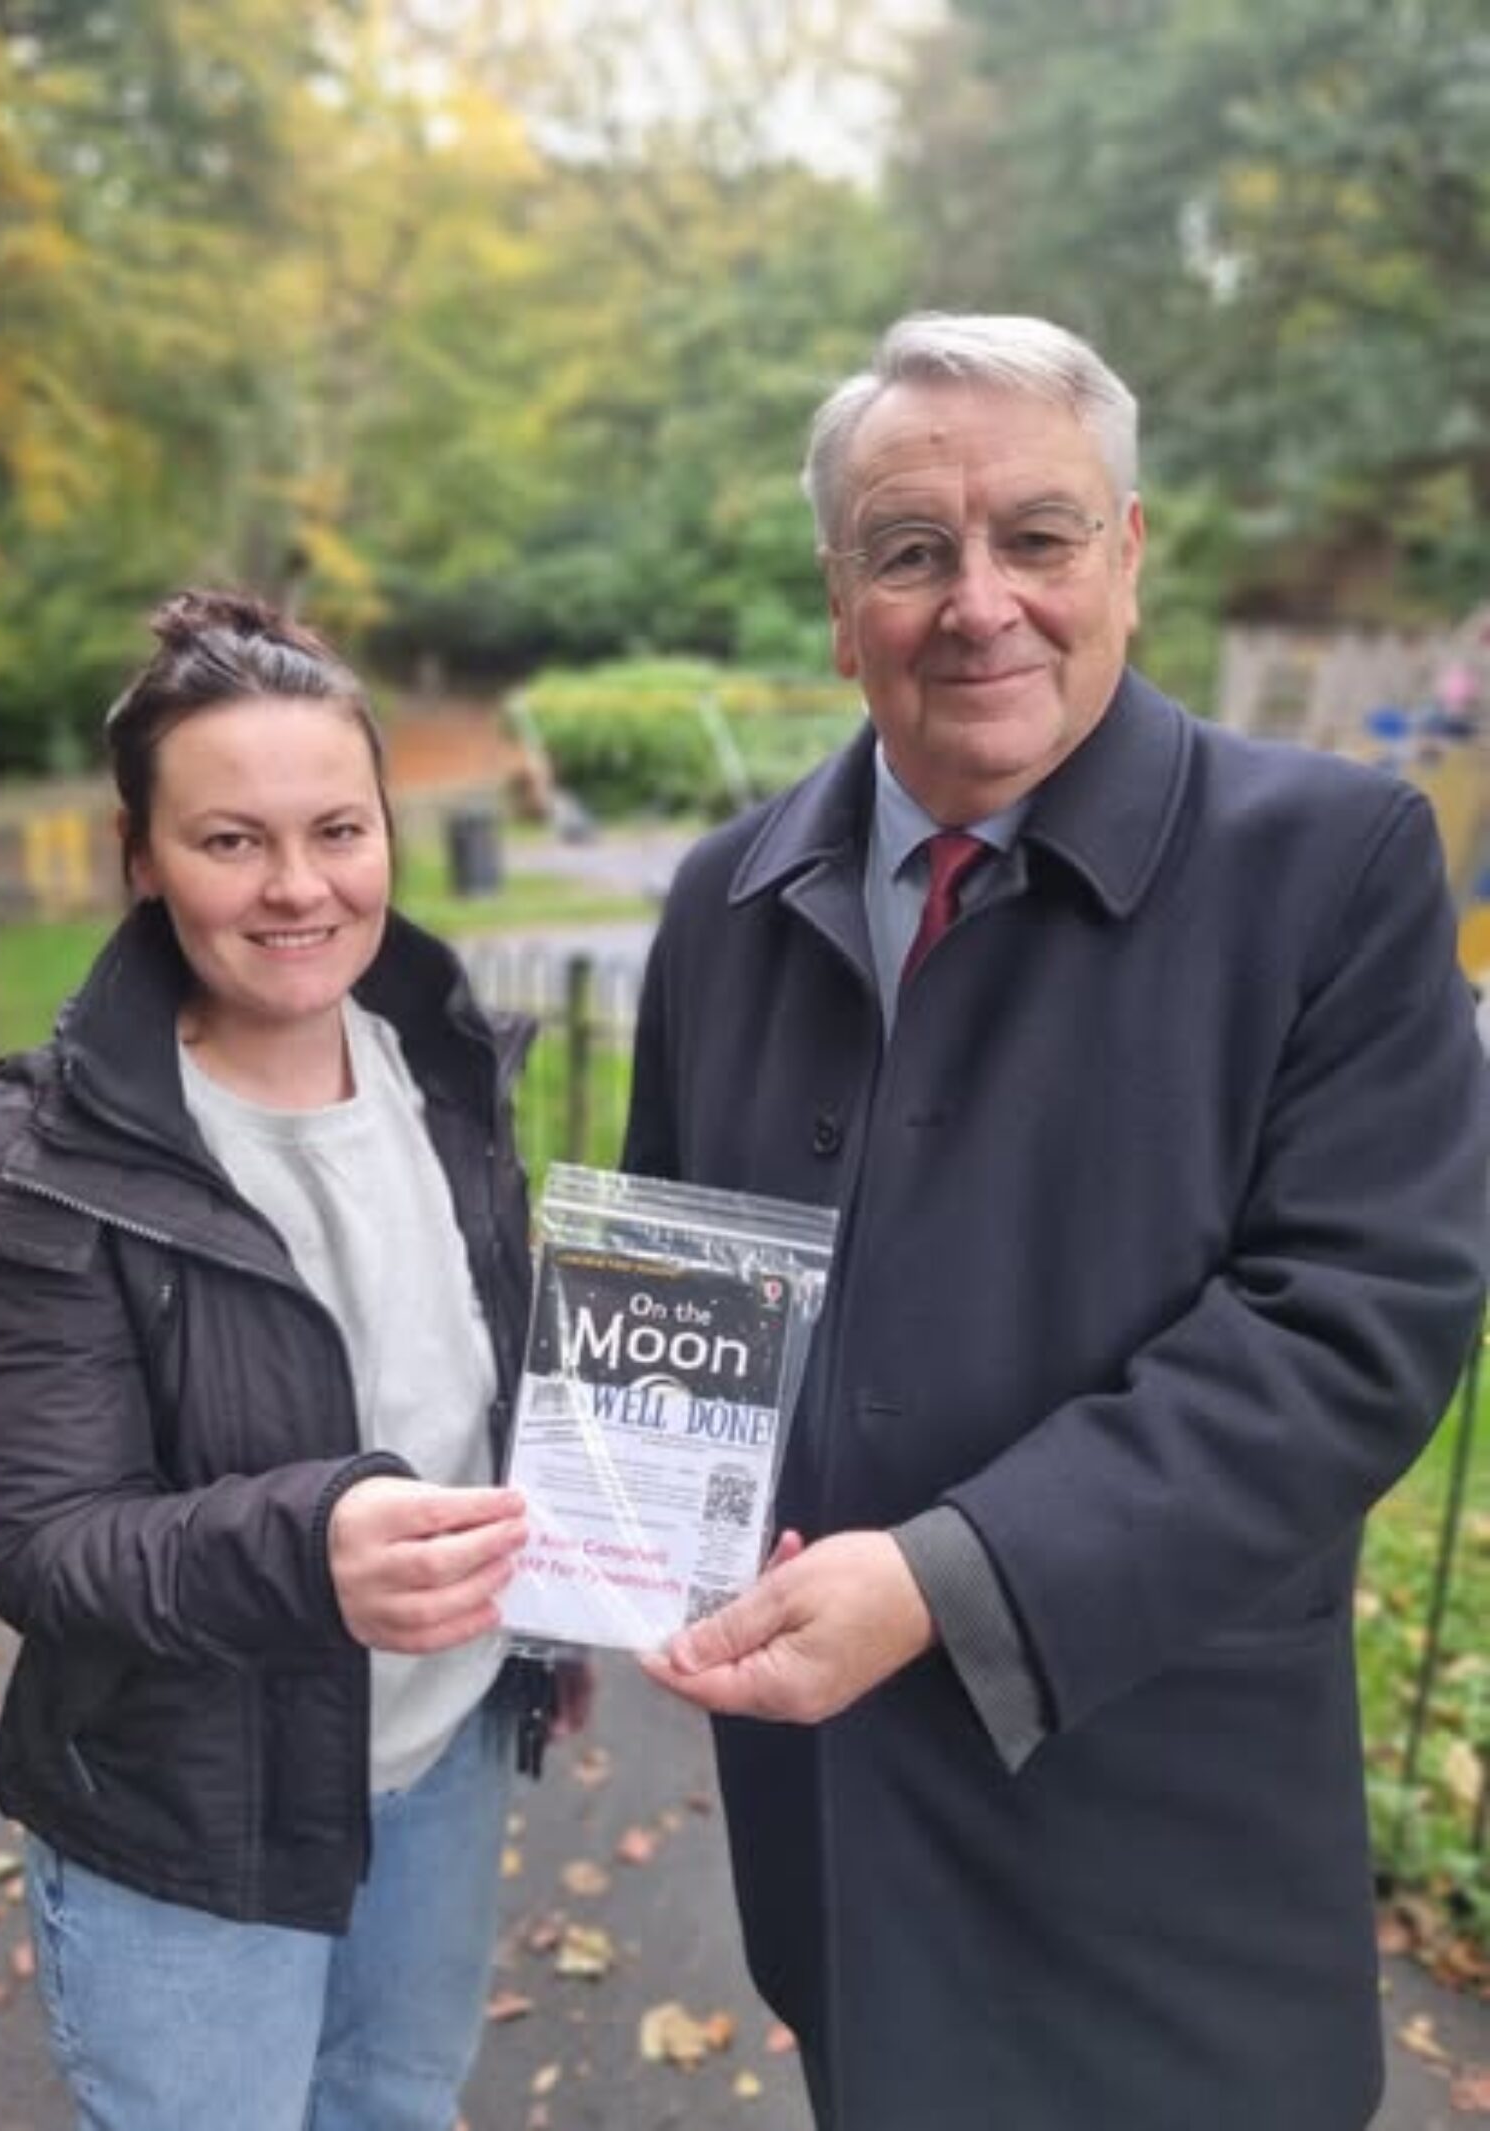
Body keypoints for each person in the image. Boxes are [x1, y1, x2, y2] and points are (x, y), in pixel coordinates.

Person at [629, 314, 1490, 2131]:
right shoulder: (723, 902)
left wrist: (948, 1581)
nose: (980, 604)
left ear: (1129, 554)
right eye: (910, 551)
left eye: (1038, 536)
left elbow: (1355, 1327)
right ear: (839, 599)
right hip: (836, 1834)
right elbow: (675, 1294)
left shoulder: (1330, 867)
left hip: (1159, 1843)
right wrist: (606, 1537)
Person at [0, 590, 577, 2131]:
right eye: (231, 840)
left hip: (438, 1753)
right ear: (140, 855)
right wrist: (311, 1550)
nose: (299, 887)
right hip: (188, 1811)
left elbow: (481, 1384)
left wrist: (569, 1603)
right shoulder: (40, 1164)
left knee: (394, 2105)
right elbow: (50, 1546)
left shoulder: (448, 1076)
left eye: (338, 830)